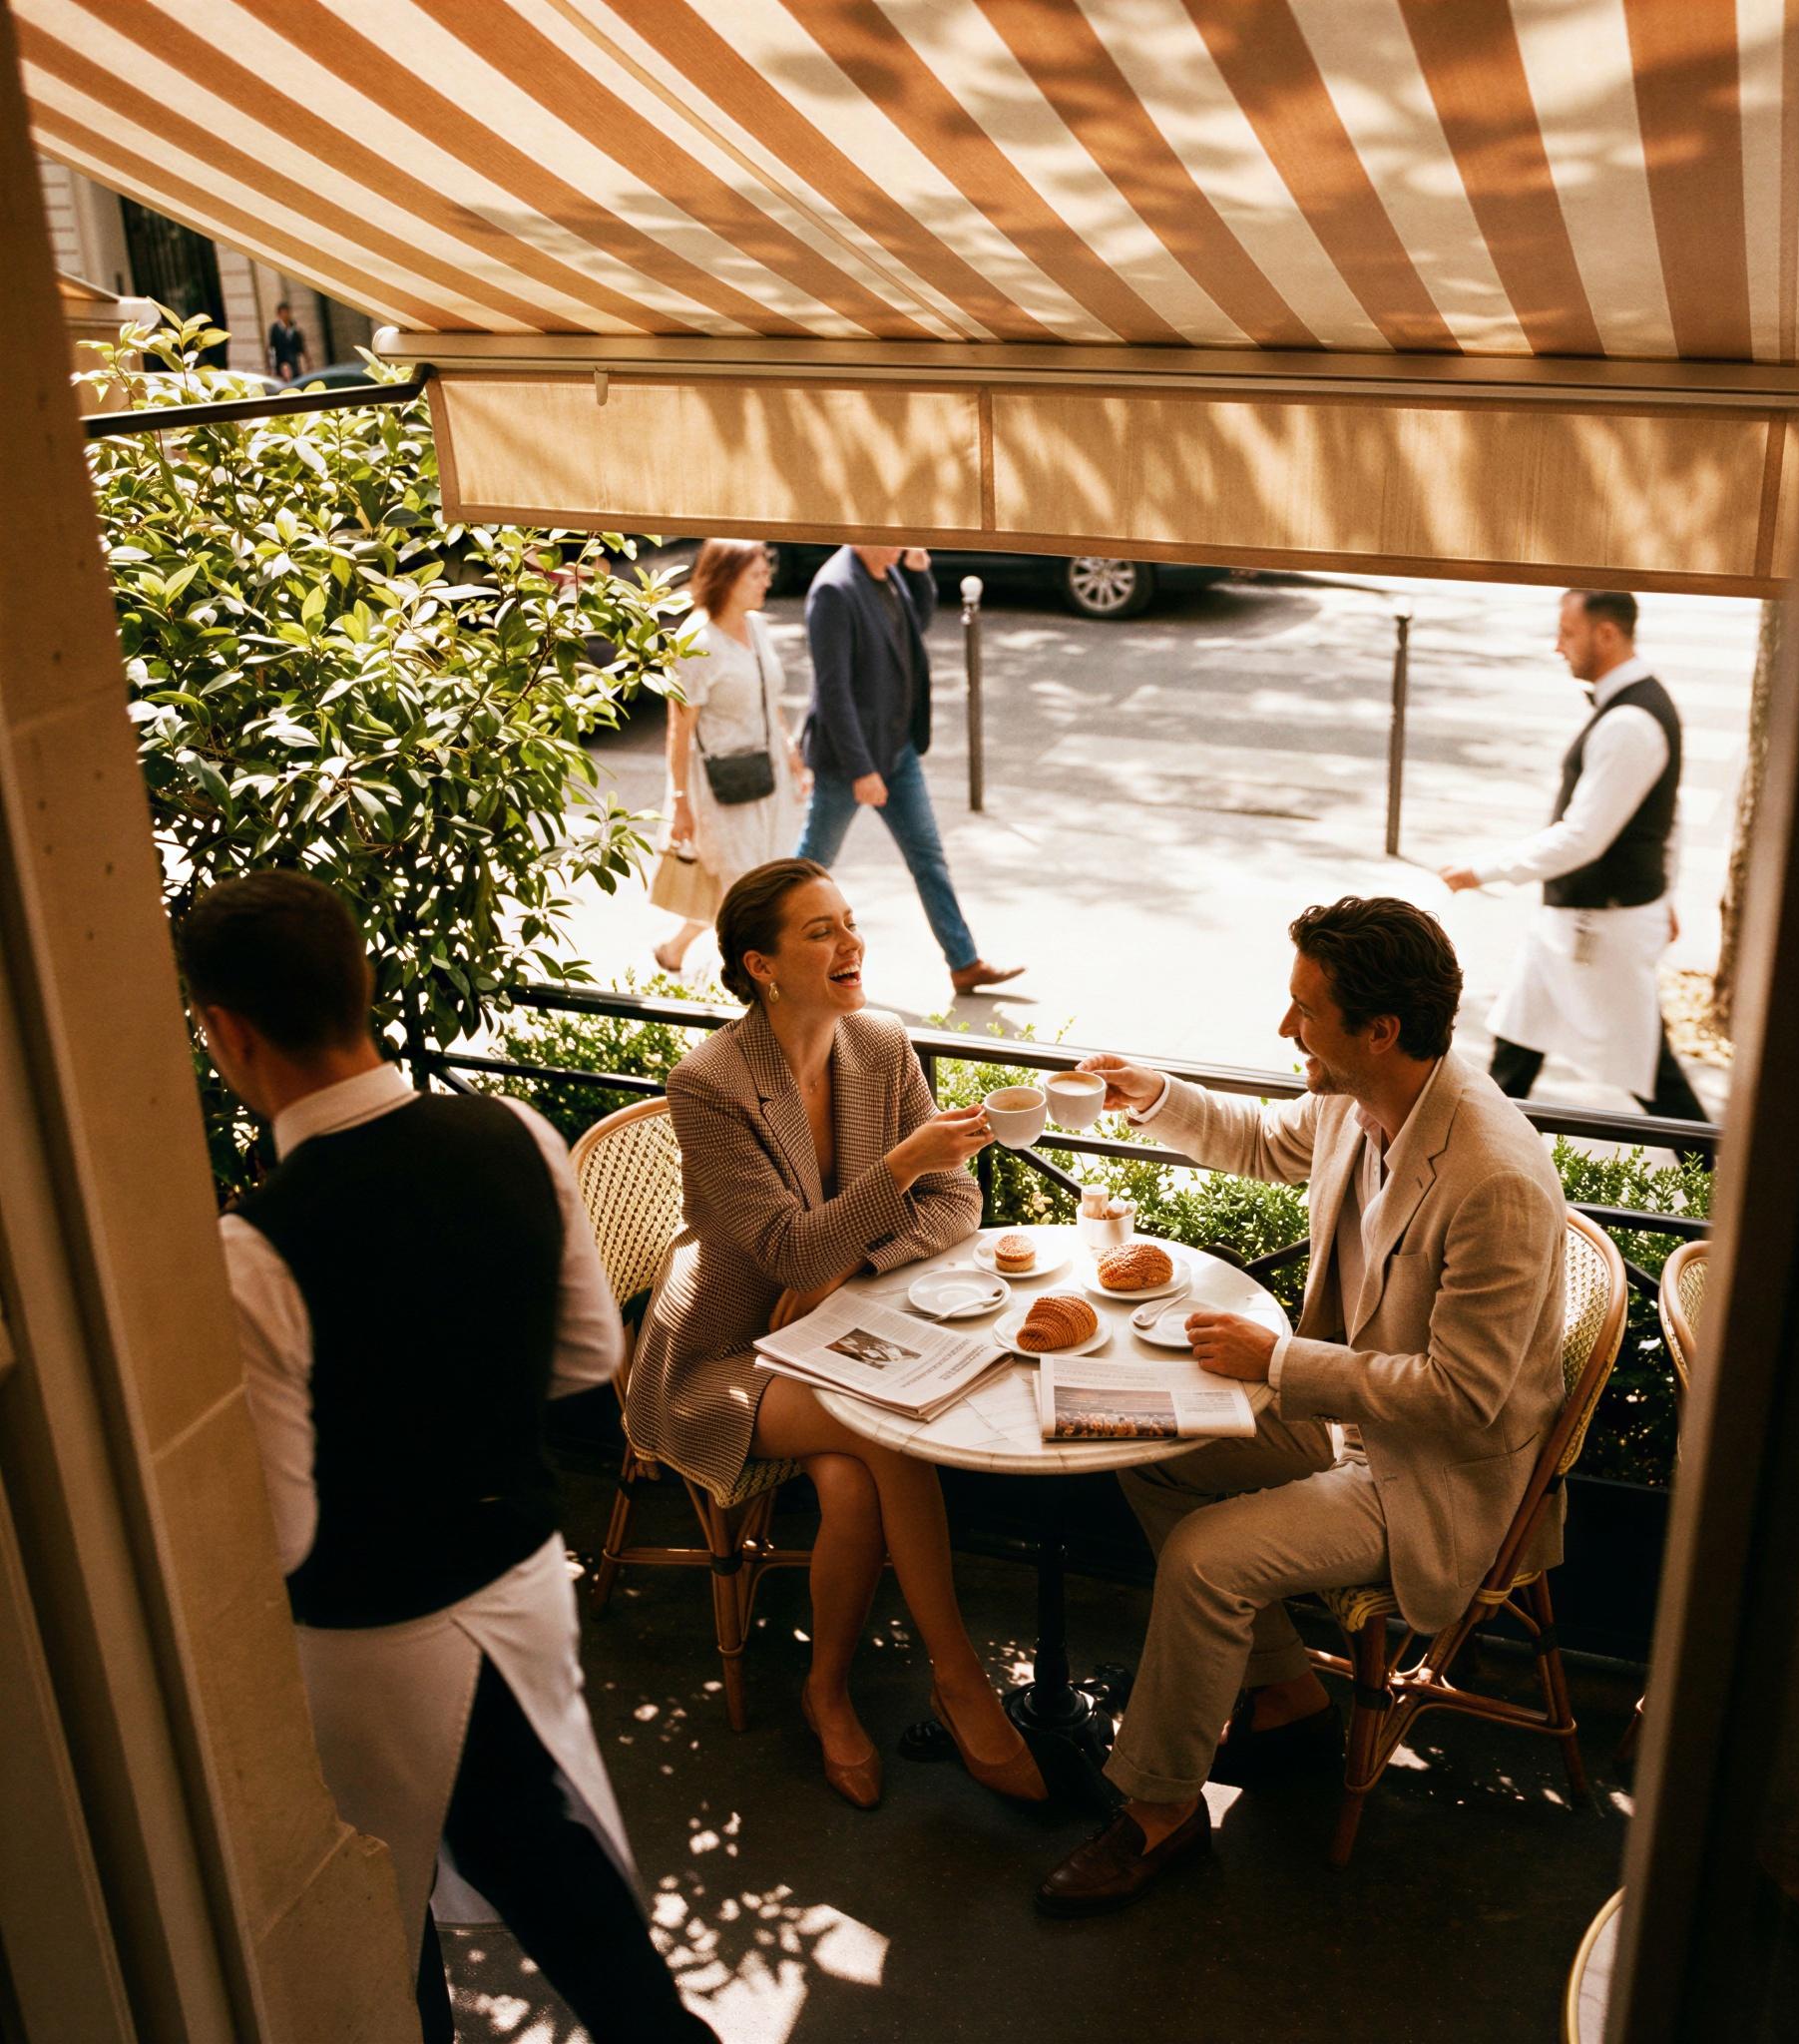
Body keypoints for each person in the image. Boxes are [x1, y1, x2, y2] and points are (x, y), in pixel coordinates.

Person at [181, 873, 710, 2044]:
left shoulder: (252, 1249)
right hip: (518, 1578)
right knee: (548, 1852)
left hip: (367, 1636)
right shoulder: (512, 1132)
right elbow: (583, 1354)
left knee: (382, 1901)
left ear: (225, 1029)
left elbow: (279, 1534)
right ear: (362, 983)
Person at [1035, 896, 1568, 1915]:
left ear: (1379, 1029)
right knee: (1145, 1433)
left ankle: (1159, 1811)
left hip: (1430, 1477)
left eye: (1303, 1011)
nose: (1286, 1031)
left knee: (1204, 1556)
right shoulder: (1363, 1092)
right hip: (1350, 1427)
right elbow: (1265, 1140)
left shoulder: (1492, 1175)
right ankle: (1283, 1692)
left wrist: (1279, 1360)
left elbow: (1462, 1401)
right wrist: (1156, 1093)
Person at [629, 857, 1048, 1809]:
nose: (850, 943)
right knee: (882, 1423)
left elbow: (960, 1200)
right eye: (820, 932)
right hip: (721, 1351)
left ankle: (826, 1694)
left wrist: (849, 1269)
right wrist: (895, 1171)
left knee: (855, 1484)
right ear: (761, 965)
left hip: (831, 1326)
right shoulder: (710, 1084)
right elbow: (782, 1249)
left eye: (849, 922)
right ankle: (958, 1678)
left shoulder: (880, 1043)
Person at [1441, 588, 1707, 1130]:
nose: (1557, 646)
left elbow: (1583, 837)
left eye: (1567, 631)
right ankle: (1475, 1158)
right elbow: (1668, 817)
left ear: (1606, 634)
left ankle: (1717, 1189)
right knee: (1514, 1050)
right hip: (1577, 922)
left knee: (1652, 1076)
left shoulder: (1629, 723)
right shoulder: (1633, 710)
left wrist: (1483, 870)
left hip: (1599, 926)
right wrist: (1669, 892)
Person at [792, 544, 1021, 997]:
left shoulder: (888, 571)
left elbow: (910, 631)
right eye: (899, 531)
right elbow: (832, 691)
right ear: (864, 532)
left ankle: (964, 963)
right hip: (849, 761)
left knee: (928, 857)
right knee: (810, 869)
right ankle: (777, 958)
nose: (908, 538)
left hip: (898, 751)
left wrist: (918, 574)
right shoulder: (834, 590)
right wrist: (861, 769)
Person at [654, 538, 809, 972]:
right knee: (748, 889)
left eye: (766, 571)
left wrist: (790, 750)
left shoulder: (755, 625)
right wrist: (681, 804)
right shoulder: (696, 642)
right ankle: (753, 980)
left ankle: (676, 948)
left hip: (768, 773)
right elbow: (678, 730)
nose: (767, 581)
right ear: (727, 578)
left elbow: (768, 695)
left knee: (756, 878)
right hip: (719, 786)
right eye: (757, 574)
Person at [266, 300, 306, 380]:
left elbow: (301, 347)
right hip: (281, 362)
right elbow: (270, 347)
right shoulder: (275, 329)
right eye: (283, 312)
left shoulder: (295, 329)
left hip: (294, 362)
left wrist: (307, 361)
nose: (286, 315)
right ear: (279, 314)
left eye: (287, 312)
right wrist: (269, 366)